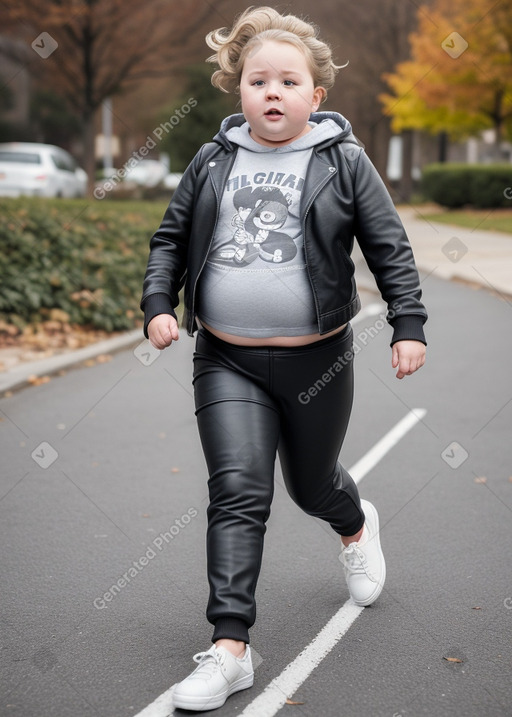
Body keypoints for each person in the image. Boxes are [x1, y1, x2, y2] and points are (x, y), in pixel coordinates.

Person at [140, 6, 427, 711]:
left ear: (314, 96)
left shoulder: (344, 161)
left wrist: (407, 324)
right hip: (226, 359)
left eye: (288, 81)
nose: (272, 91)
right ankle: (231, 647)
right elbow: (169, 239)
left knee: (310, 485)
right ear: (238, 92)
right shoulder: (211, 160)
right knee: (240, 489)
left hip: (317, 360)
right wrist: (158, 305)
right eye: (257, 79)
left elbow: (389, 247)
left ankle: (355, 524)